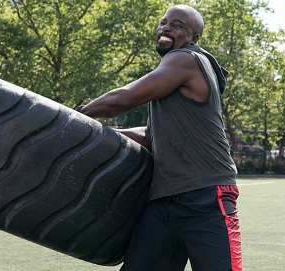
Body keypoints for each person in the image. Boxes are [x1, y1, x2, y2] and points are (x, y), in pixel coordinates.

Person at [77, 4, 241, 270]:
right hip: (164, 198)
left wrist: (80, 115)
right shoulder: (172, 77)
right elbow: (152, 136)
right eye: (164, 22)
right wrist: (102, 134)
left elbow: (125, 98)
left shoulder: (186, 59)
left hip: (206, 194)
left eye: (177, 25)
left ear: (194, 38)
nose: (166, 28)